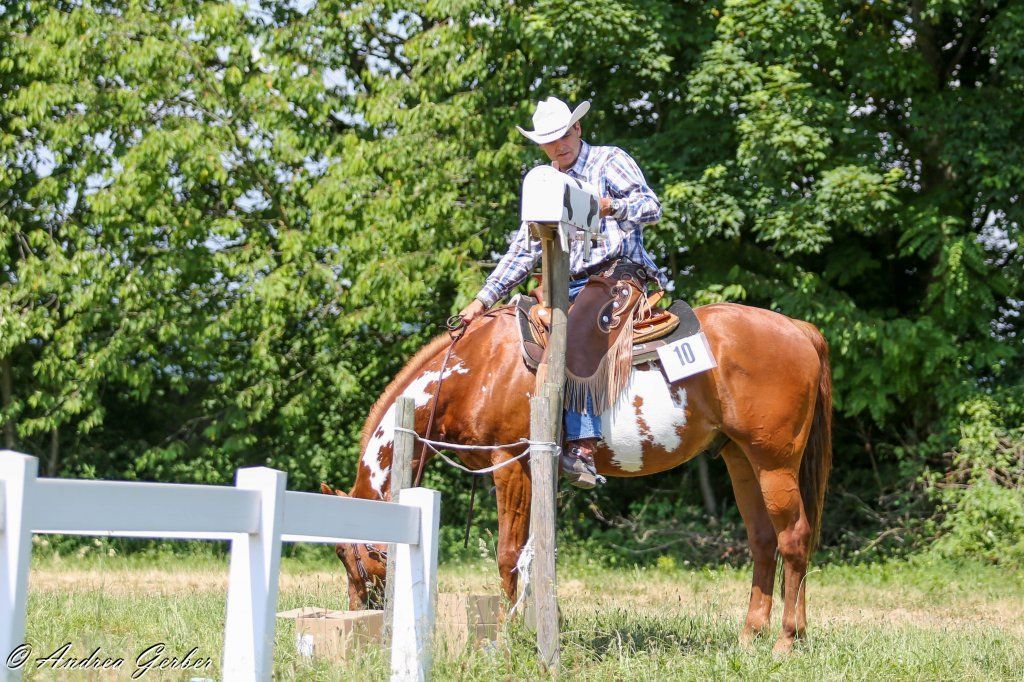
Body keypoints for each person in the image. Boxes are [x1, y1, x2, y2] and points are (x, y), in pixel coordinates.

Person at [459, 96, 664, 487]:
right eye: (550, 140)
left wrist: (609, 206)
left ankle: (583, 447)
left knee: (573, 329)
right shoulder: (543, 183)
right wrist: (481, 301)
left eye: (564, 134)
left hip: (620, 272)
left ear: (578, 129)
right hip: (561, 281)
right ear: (541, 144)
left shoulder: (608, 161)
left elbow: (651, 207)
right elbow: (524, 249)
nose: (559, 145)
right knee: (515, 335)